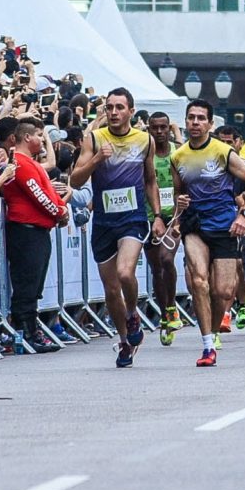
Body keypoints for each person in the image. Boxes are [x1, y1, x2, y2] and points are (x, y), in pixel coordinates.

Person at [68, 87, 164, 369]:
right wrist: (97, 160)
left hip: (132, 218)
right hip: (104, 222)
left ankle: (133, 313)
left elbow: (150, 181)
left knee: (125, 272)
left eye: (119, 108)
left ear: (131, 111)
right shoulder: (95, 139)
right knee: (111, 290)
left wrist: (157, 215)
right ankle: (125, 341)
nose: (113, 112)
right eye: (109, 107)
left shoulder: (144, 140)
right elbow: (74, 180)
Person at [173, 100, 245, 367]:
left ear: (211, 124)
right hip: (195, 225)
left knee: (223, 291)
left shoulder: (223, 151)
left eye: (201, 118)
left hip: (224, 225)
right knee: (199, 282)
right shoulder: (178, 157)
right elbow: (179, 192)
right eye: (191, 118)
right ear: (186, 122)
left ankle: (212, 329)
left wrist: (243, 215)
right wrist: (180, 204)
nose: (195, 123)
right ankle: (207, 344)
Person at [0, 119, 68, 353]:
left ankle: (29, 329)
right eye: (40, 135)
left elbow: (47, 190)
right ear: (27, 138)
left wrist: (61, 208)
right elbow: (38, 194)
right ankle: (27, 332)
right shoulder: (19, 162)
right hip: (26, 230)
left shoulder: (30, 163)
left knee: (33, 284)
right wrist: (59, 211)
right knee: (27, 285)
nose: (42, 139)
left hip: (36, 230)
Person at [145, 111, 183, 343]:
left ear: (169, 129)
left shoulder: (178, 153)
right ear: (148, 129)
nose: (159, 132)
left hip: (174, 217)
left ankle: (171, 307)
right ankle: (164, 315)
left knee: (167, 259)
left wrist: (179, 218)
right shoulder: (144, 153)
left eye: (163, 127)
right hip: (150, 217)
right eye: (155, 128)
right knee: (156, 268)